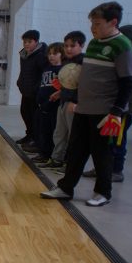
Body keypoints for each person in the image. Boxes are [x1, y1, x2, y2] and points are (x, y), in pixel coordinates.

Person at [41, 2, 132, 207]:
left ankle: (103, 192)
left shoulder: (123, 46)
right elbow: (86, 77)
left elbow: (129, 82)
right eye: (92, 23)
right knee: (76, 150)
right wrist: (71, 94)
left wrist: (116, 112)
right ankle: (65, 188)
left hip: (105, 113)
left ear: (113, 22)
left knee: (102, 153)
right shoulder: (94, 44)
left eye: (98, 23)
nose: (93, 28)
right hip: (83, 108)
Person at [82, 24, 132, 182]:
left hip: (123, 111)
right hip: (113, 107)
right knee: (106, 141)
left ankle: (116, 170)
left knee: (117, 140)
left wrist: (122, 108)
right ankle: (101, 168)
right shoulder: (122, 55)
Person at [44, 31, 86, 171]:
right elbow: (69, 83)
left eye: (72, 46)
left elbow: (84, 86)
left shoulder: (83, 62)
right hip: (63, 101)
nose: (68, 49)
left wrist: (76, 101)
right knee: (59, 132)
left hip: (73, 105)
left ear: (81, 46)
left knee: (72, 136)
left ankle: (70, 163)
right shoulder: (67, 62)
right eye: (66, 45)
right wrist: (59, 93)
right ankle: (57, 159)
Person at [31, 43, 63, 165]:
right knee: (41, 130)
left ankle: (51, 154)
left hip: (54, 107)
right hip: (42, 105)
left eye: (55, 54)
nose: (51, 56)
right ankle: (43, 153)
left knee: (52, 131)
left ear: (62, 54)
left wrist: (50, 101)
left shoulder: (62, 70)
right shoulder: (47, 68)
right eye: (49, 54)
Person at [16, 30, 48, 150]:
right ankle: (29, 135)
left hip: (36, 92)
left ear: (37, 41)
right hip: (26, 90)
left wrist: (37, 88)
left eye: (30, 42)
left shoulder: (41, 55)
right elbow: (24, 72)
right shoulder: (24, 55)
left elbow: (44, 73)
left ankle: (36, 138)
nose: (26, 44)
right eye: (25, 42)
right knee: (25, 112)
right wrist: (19, 82)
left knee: (35, 116)